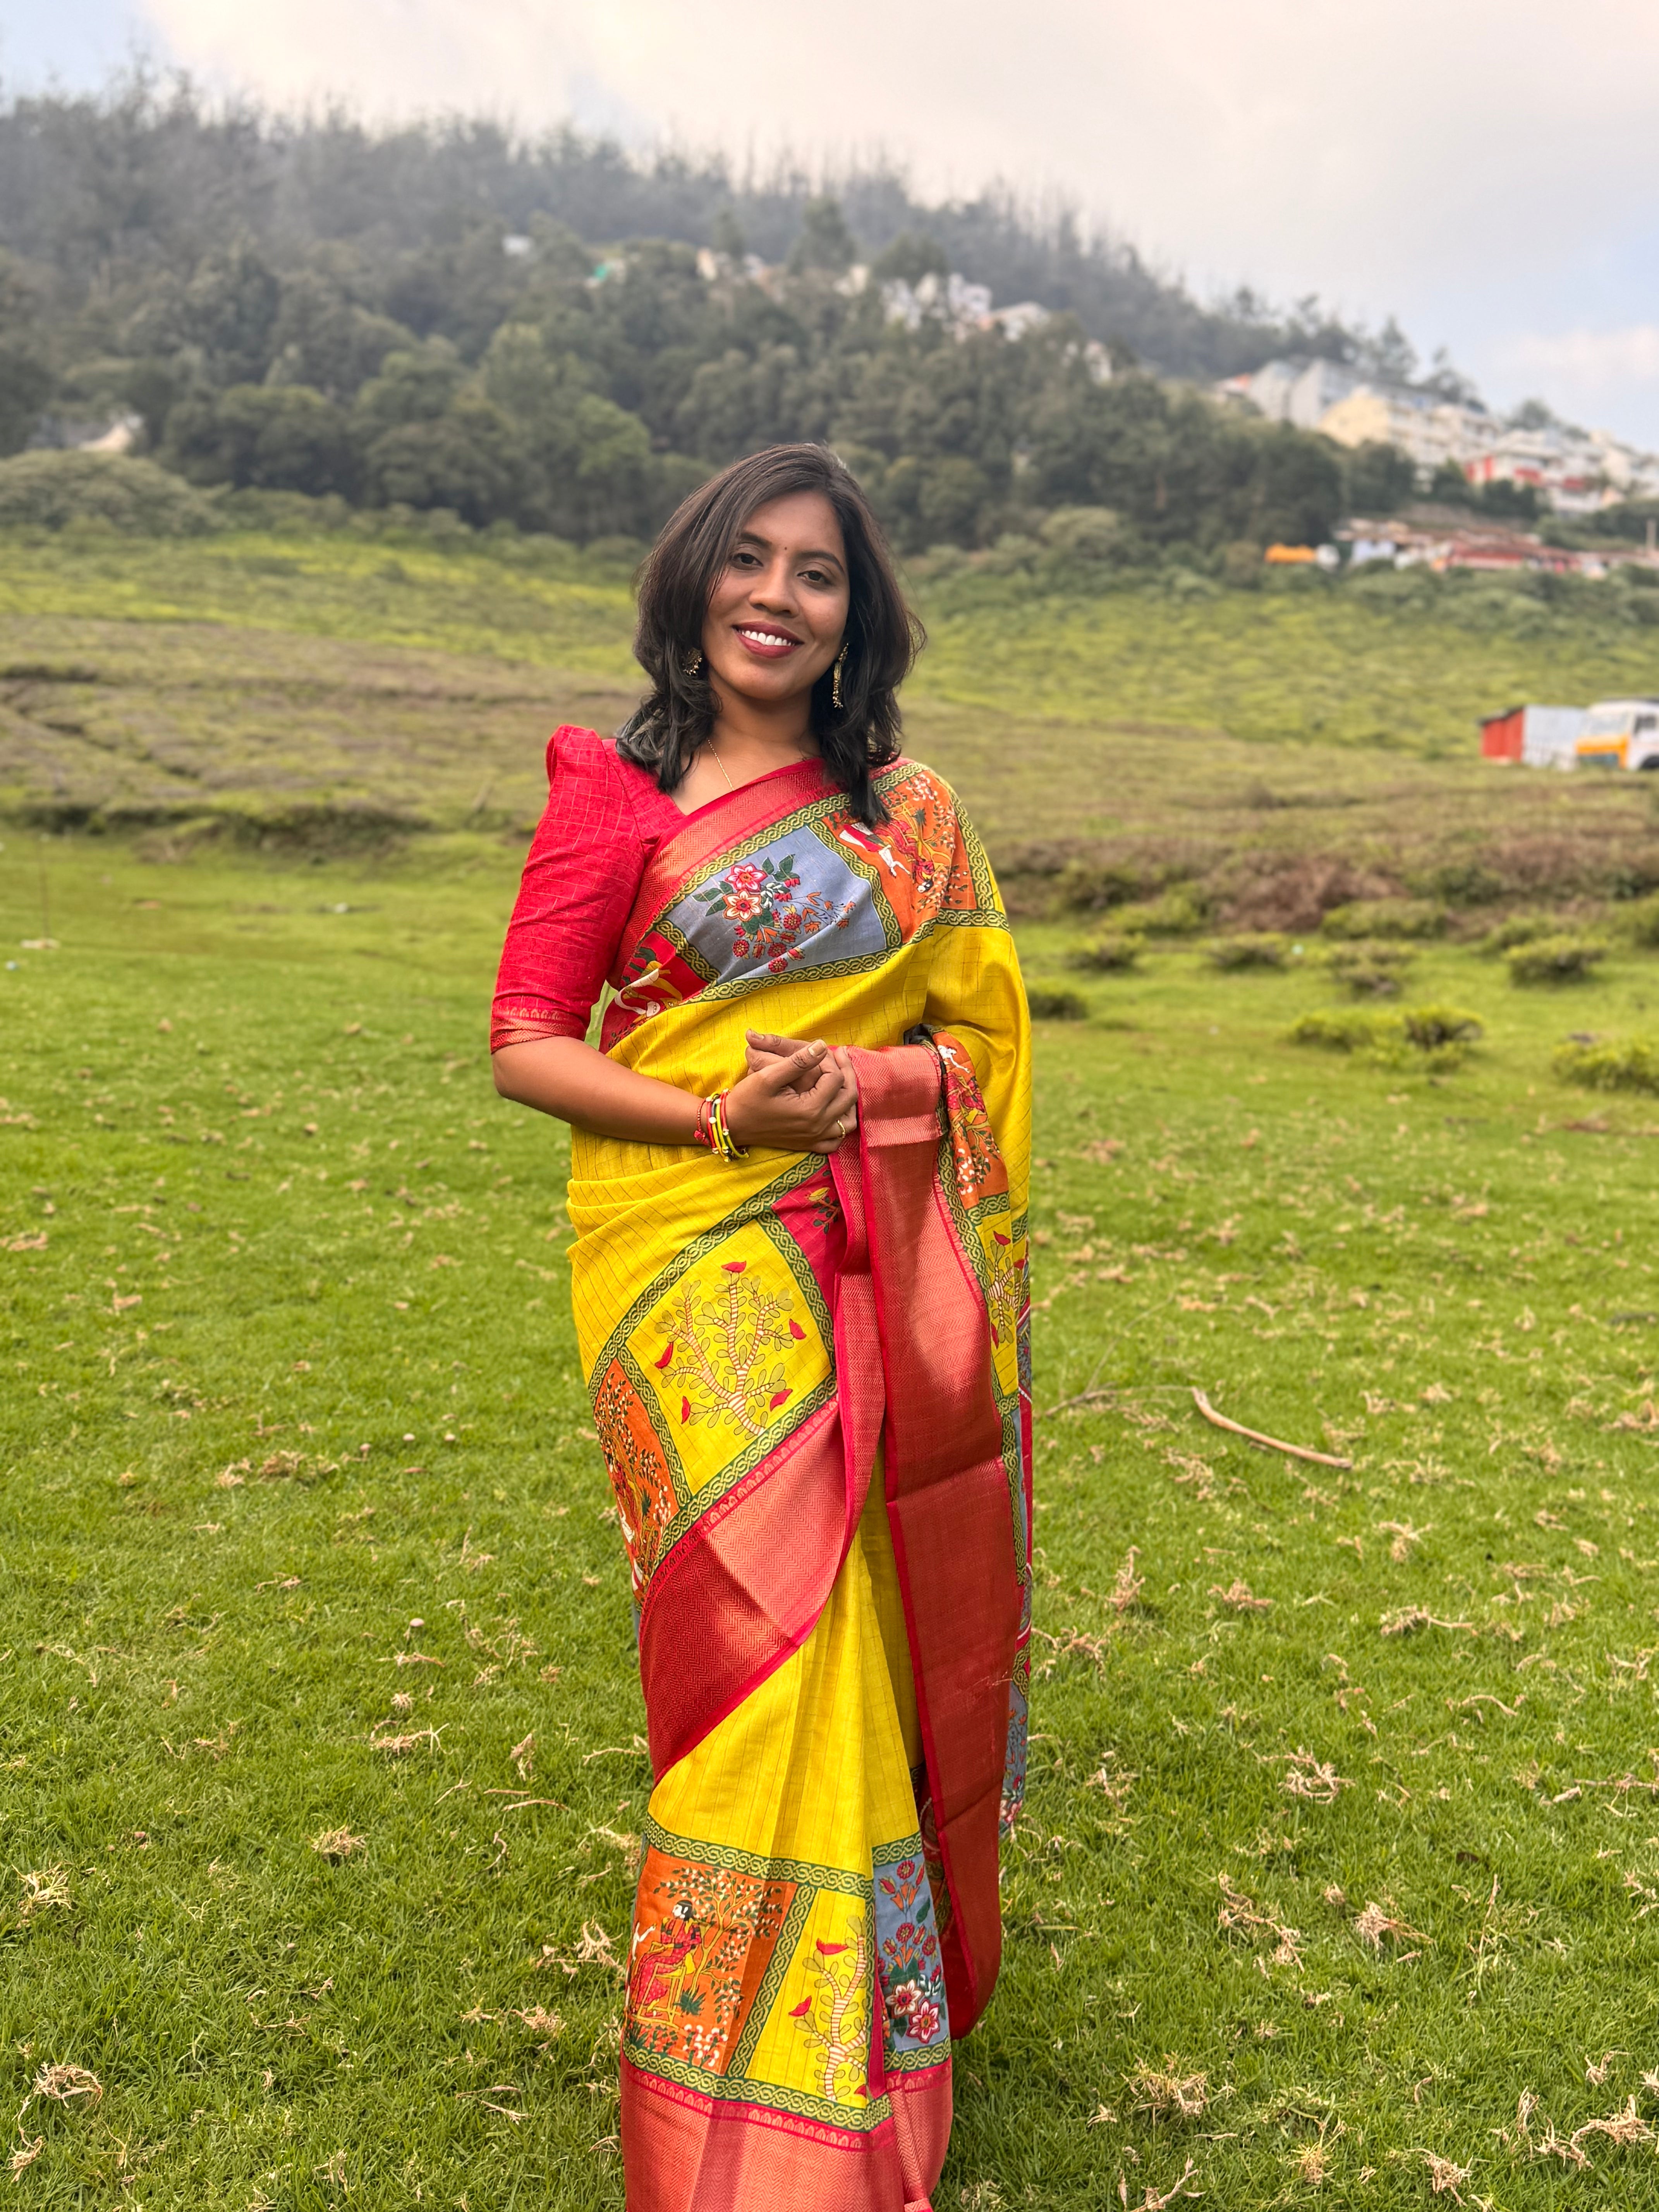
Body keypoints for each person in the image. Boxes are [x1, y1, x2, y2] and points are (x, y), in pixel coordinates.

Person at [490, 443, 1032, 2212]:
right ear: (693, 578)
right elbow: (529, 1045)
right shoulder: (612, 798)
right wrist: (733, 1119)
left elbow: (987, 1053)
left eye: (818, 575)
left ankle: (855, 2023)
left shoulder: (910, 822)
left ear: (855, 620)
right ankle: (745, 2046)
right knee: (747, 1636)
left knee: (846, 1625)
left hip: (854, 1251)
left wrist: (859, 1089)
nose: (778, 597)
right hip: (674, 1270)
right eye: (752, 558)